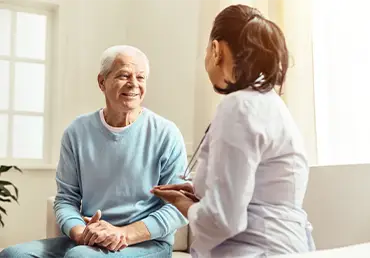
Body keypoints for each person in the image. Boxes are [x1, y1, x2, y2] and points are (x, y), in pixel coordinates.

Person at [152, 4, 316, 258]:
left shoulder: (238, 106)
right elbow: (253, 193)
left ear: (216, 50)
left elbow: (223, 220)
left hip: (255, 251)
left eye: (206, 50)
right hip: (287, 246)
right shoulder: (269, 103)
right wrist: (198, 190)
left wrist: (183, 205)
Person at [0, 45, 188, 257]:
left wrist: (122, 234)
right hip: (90, 240)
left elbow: (178, 207)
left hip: (147, 243)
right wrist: (81, 234)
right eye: (124, 75)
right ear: (102, 82)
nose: (134, 84)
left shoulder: (166, 133)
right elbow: (66, 199)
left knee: (80, 256)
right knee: (13, 254)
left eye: (141, 77)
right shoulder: (77, 132)